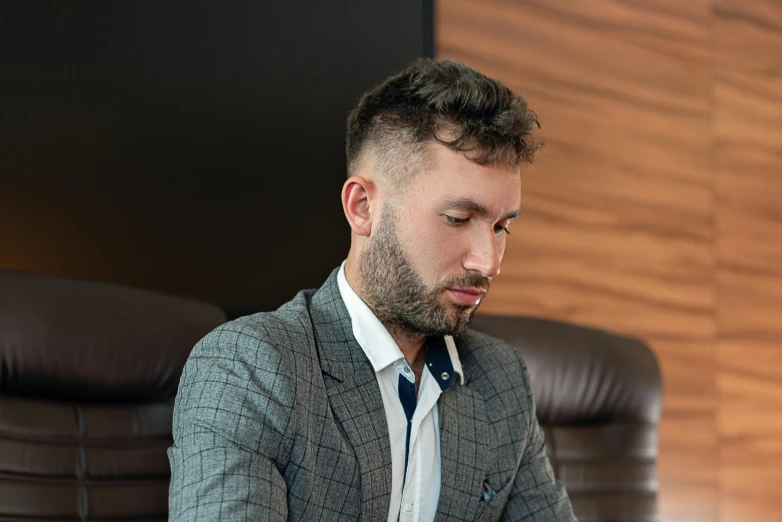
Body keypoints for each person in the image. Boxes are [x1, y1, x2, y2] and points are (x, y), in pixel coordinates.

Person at [168, 58, 576, 522]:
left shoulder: (501, 380)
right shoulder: (249, 367)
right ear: (362, 208)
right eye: (458, 219)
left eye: (501, 226)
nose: (489, 262)